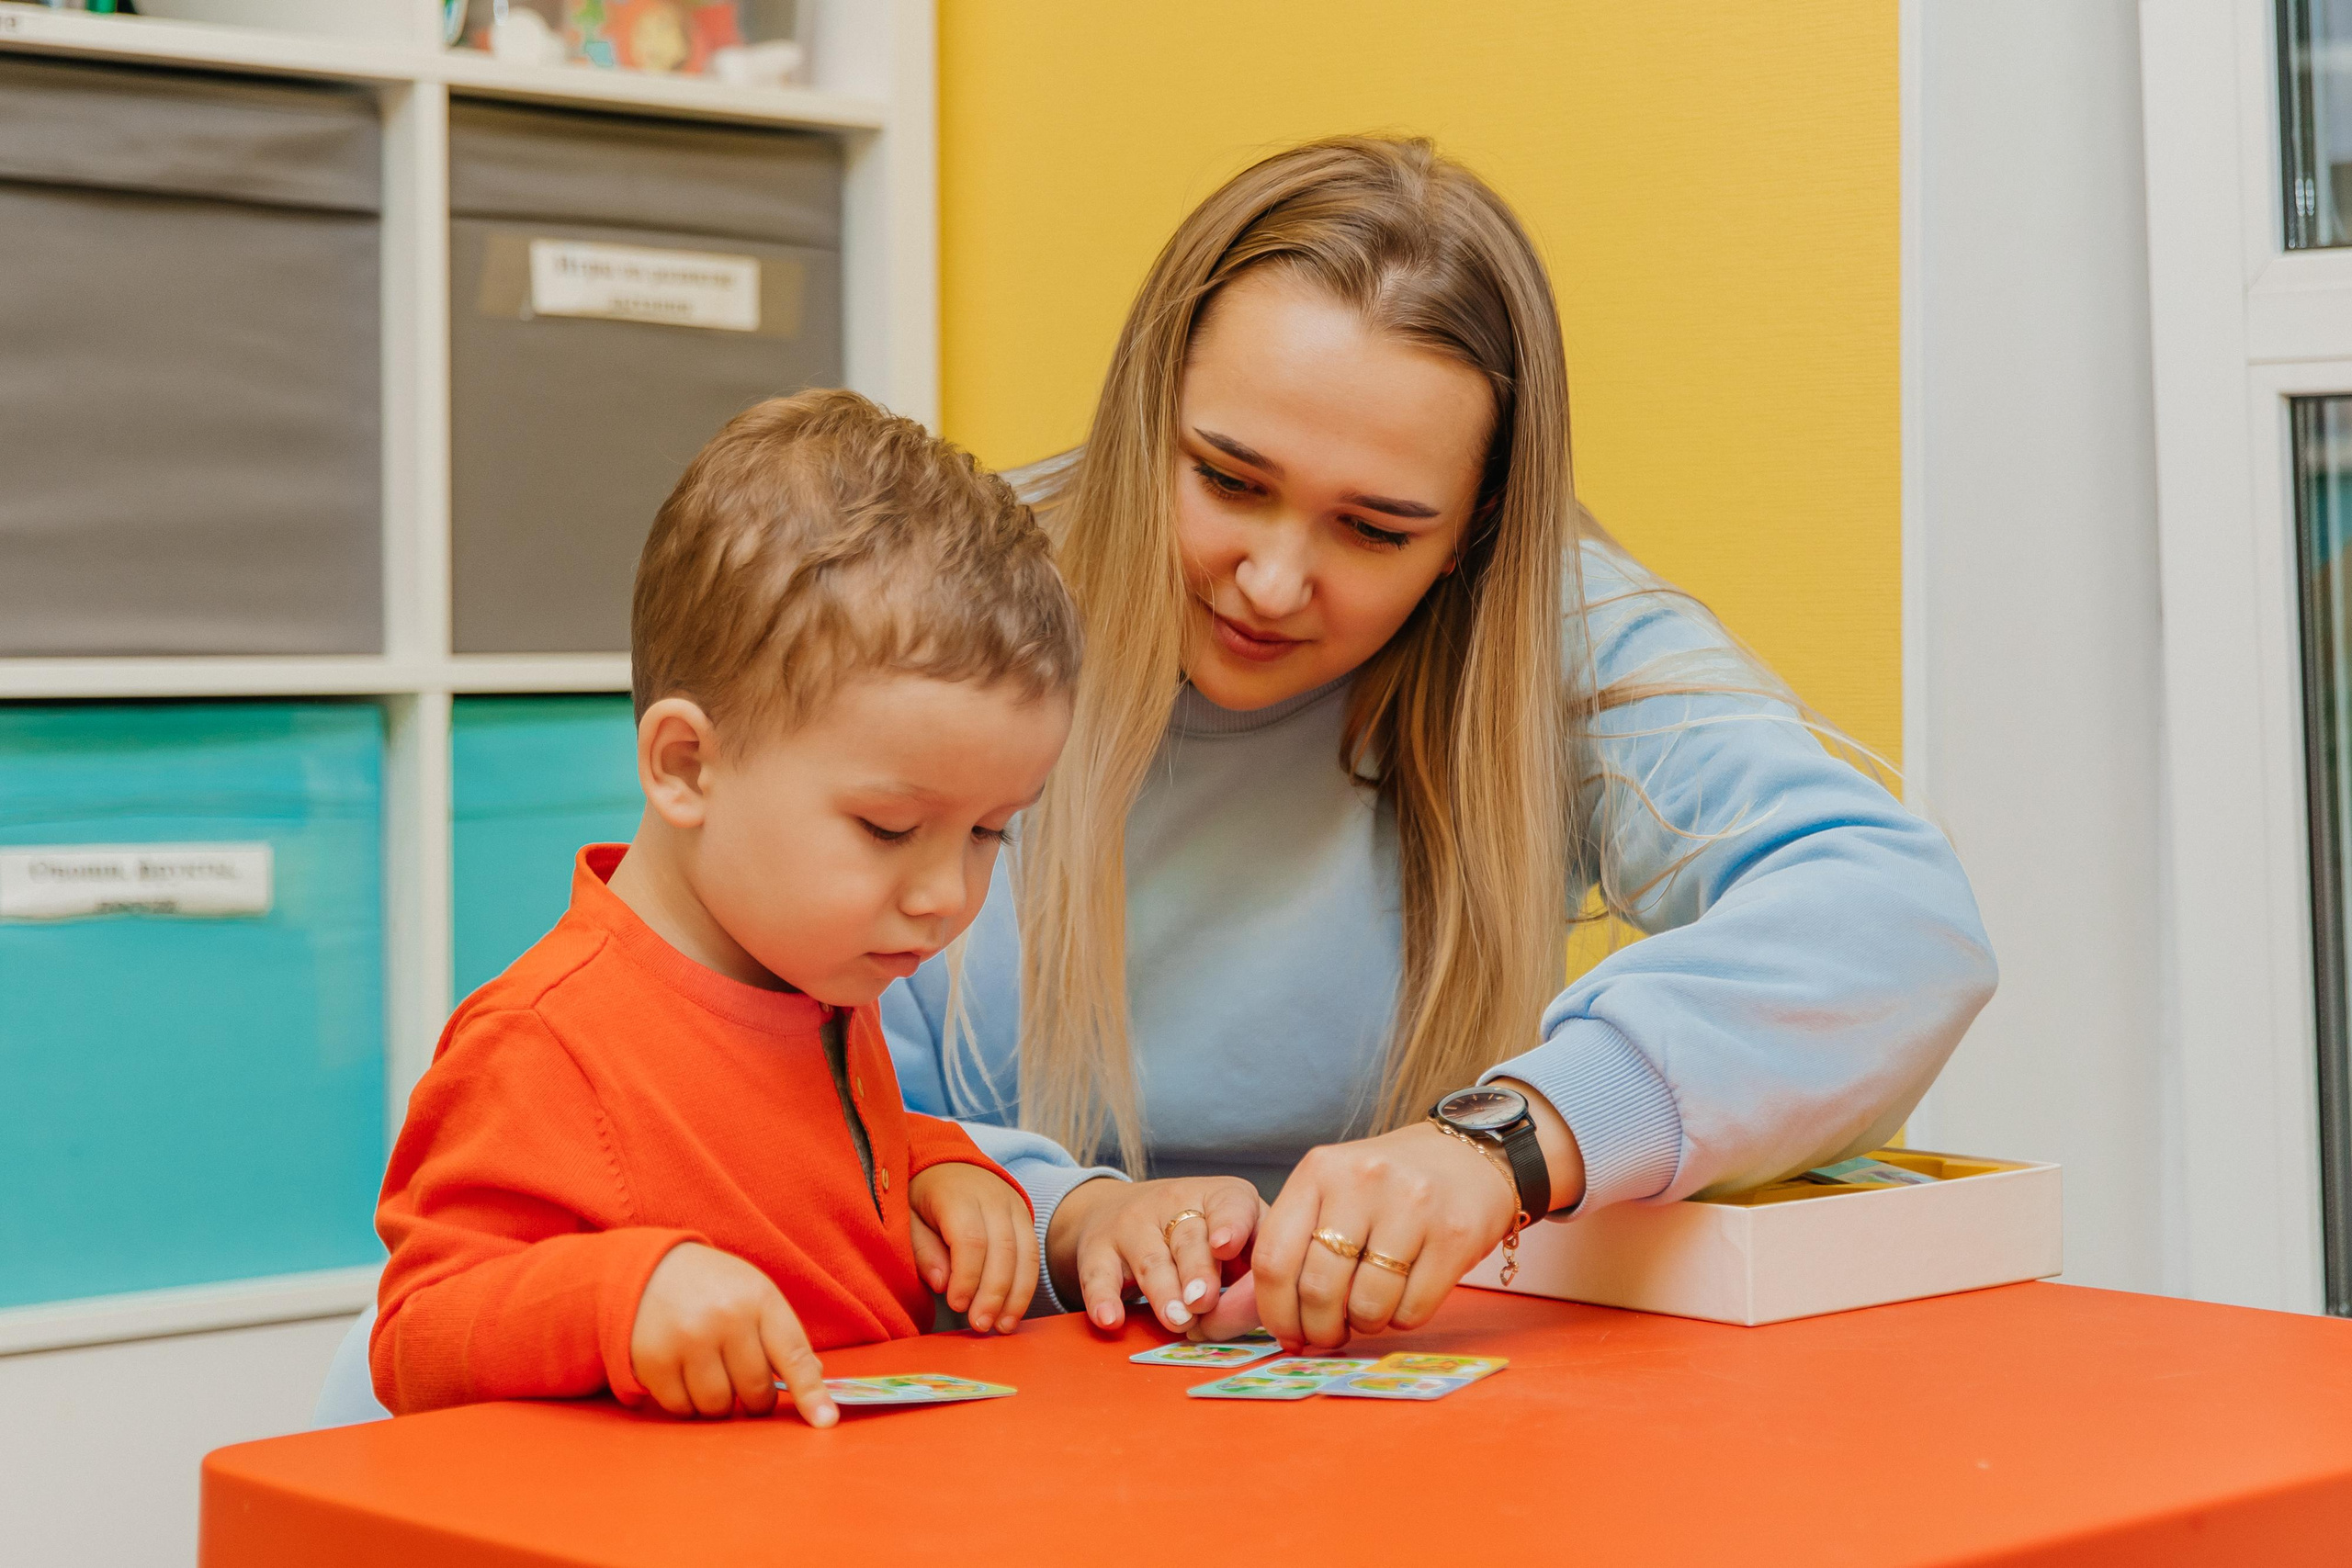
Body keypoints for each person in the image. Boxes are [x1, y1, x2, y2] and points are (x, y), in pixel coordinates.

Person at [884, 138, 1997, 1351]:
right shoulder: (949, 603)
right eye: (1228, 479)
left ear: (1473, 533)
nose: (1272, 579)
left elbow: (1901, 925)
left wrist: (1514, 1134)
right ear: (1147, 417)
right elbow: (740, 1041)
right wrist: (1069, 1210)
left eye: (1375, 529)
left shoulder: (1559, 640)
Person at [369, 390, 1077, 1423]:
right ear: (687, 765)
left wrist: (939, 1169)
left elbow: (813, 1166)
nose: (944, 896)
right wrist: (623, 1295)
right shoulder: (543, 1045)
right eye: (888, 829)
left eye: (988, 833)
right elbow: (418, 1334)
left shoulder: (814, 970)